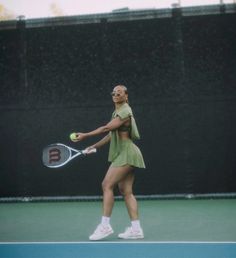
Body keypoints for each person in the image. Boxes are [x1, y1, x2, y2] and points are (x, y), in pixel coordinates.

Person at [71, 84, 145, 241]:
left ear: (126, 96)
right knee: (126, 191)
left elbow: (106, 128)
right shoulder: (117, 112)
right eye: (114, 92)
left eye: (120, 93)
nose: (116, 94)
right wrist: (94, 146)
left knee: (107, 185)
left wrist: (85, 135)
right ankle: (136, 229)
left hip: (127, 153)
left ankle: (105, 226)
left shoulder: (125, 110)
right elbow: (112, 135)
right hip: (126, 153)